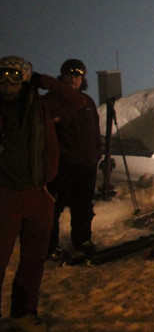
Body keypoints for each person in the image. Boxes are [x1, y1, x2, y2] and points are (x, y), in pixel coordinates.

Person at [0, 55, 84, 332]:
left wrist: (45, 81)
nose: (8, 82)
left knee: (34, 260)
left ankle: (23, 314)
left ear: (26, 78)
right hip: (4, 194)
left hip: (38, 194)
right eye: (2, 75)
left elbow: (76, 100)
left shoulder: (43, 106)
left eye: (15, 76)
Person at [48, 59, 102, 261]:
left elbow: (95, 131)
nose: (74, 79)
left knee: (83, 207)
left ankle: (82, 241)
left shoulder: (87, 101)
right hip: (62, 164)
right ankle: (49, 246)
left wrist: (96, 154)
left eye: (78, 76)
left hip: (86, 165)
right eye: (69, 75)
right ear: (62, 77)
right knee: (53, 207)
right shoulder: (53, 100)